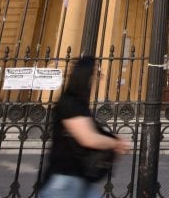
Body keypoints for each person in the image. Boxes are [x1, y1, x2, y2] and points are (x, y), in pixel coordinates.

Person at [40, 56, 131, 198]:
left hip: (79, 179)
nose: (98, 79)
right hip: (64, 182)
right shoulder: (69, 103)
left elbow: (92, 132)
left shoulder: (79, 104)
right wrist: (116, 143)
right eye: (96, 74)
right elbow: (87, 138)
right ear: (85, 75)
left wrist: (113, 140)